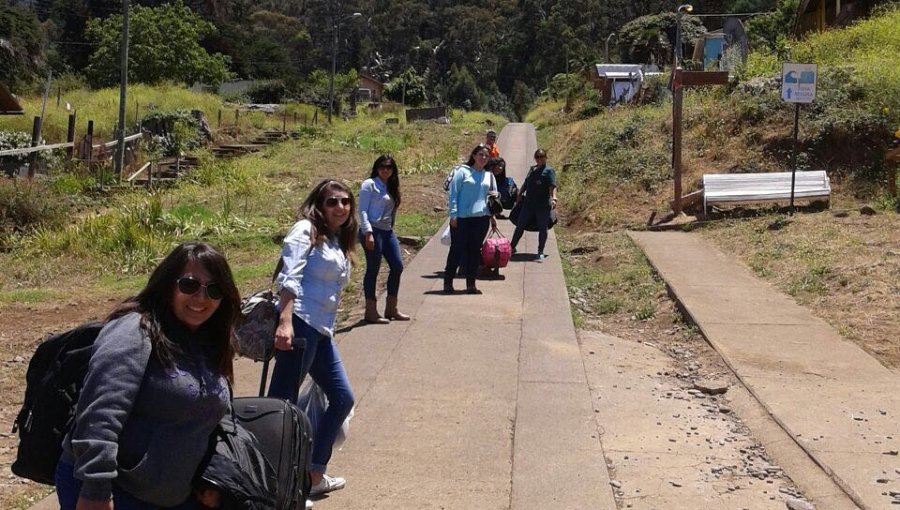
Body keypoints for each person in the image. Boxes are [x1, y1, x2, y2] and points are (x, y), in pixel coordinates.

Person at [56, 241, 240, 510]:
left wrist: (212, 477)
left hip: (174, 495)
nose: (202, 299)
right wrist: (95, 491)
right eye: (189, 285)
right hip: (115, 491)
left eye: (214, 289)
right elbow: (100, 414)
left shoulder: (208, 340)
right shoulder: (135, 331)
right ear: (167, 285)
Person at [268, 179, 357, 500]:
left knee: (342, 397)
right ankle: (276, 486)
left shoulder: (334, 239)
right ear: (319, 203)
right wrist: (285, 321)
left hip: (321, 331)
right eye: (332, 201)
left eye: (346, 201)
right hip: (300, 326)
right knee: (282, 407)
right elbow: (288, 278)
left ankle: (313, 473)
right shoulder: (304, 230)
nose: (340, 207)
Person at [358, 155, 410, 324]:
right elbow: (363, 210)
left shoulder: (392, 186)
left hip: (387, 231)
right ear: (376, 168)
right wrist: (368, 232)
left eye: (388, 167)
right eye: (381, 167)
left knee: (397, 266)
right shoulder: (369, 185)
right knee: (373, 268)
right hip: (372, 230)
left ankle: (391, 308)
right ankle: (371, 311)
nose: (385, 170)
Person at [444, 144, 498, 294]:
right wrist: (453, 215)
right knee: (457, 250)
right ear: (473, 156)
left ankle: (471, 284)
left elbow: (492, 198)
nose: (483, 158)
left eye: (486, 156)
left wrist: (492, 217)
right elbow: (453, 194)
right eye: (480, 154)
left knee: (474, 251)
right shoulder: (462, 172)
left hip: (481, 219)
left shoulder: (489, 175)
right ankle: (448, 282)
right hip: (462, 218)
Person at [510, 148, 558, 261]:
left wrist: (554, 198)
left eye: (542, 157)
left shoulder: (549, 171)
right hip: (528, 204)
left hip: (542, 205)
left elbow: (552, 186)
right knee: (520, 226)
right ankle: (512, 247)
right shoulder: (532, 169)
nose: (539, 159)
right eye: (537, 157)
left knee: (543, 228)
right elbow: (526, 183)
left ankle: (540, 250)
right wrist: (520, 193)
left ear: (545, 158)